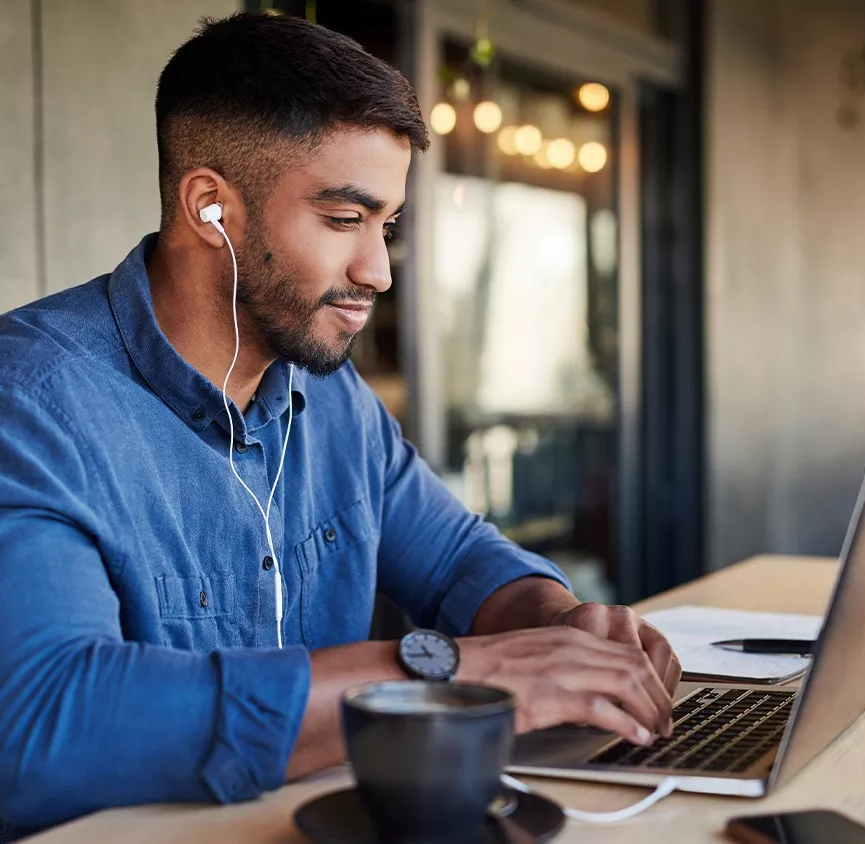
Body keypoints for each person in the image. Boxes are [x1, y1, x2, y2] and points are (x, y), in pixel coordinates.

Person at [0, 11, 680, 836]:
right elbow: (40, 725)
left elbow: (461, 559)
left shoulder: (330, 397)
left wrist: (561, 628)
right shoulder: (29, 403)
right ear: (212, 207)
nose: (379, 271)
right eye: (343, 219)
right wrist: (450, 669)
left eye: (386, 225)